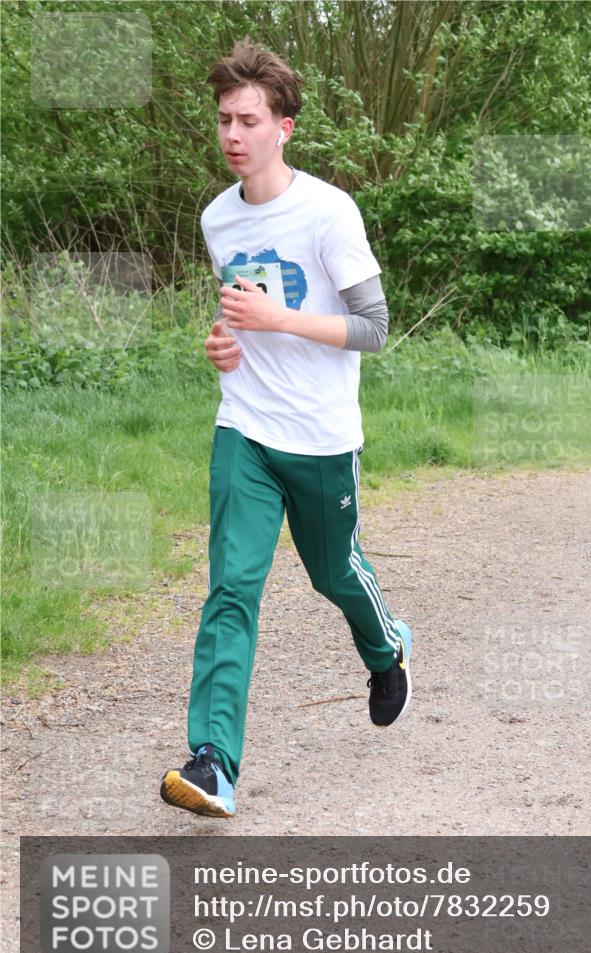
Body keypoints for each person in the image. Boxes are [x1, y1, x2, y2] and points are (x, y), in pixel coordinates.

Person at [160, 40, 412, 818]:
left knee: (333, 573)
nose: (232, 134)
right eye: (224, 120)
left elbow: (375, 327)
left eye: (248, 120)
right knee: (232, 590)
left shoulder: (328, 211)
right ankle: (212, 762)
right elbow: (238, 310)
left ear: (284, 128)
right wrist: (223, 339)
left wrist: (280, 319)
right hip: (246, 425)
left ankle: (386, 645)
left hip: (322, 435)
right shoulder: (216, 218)